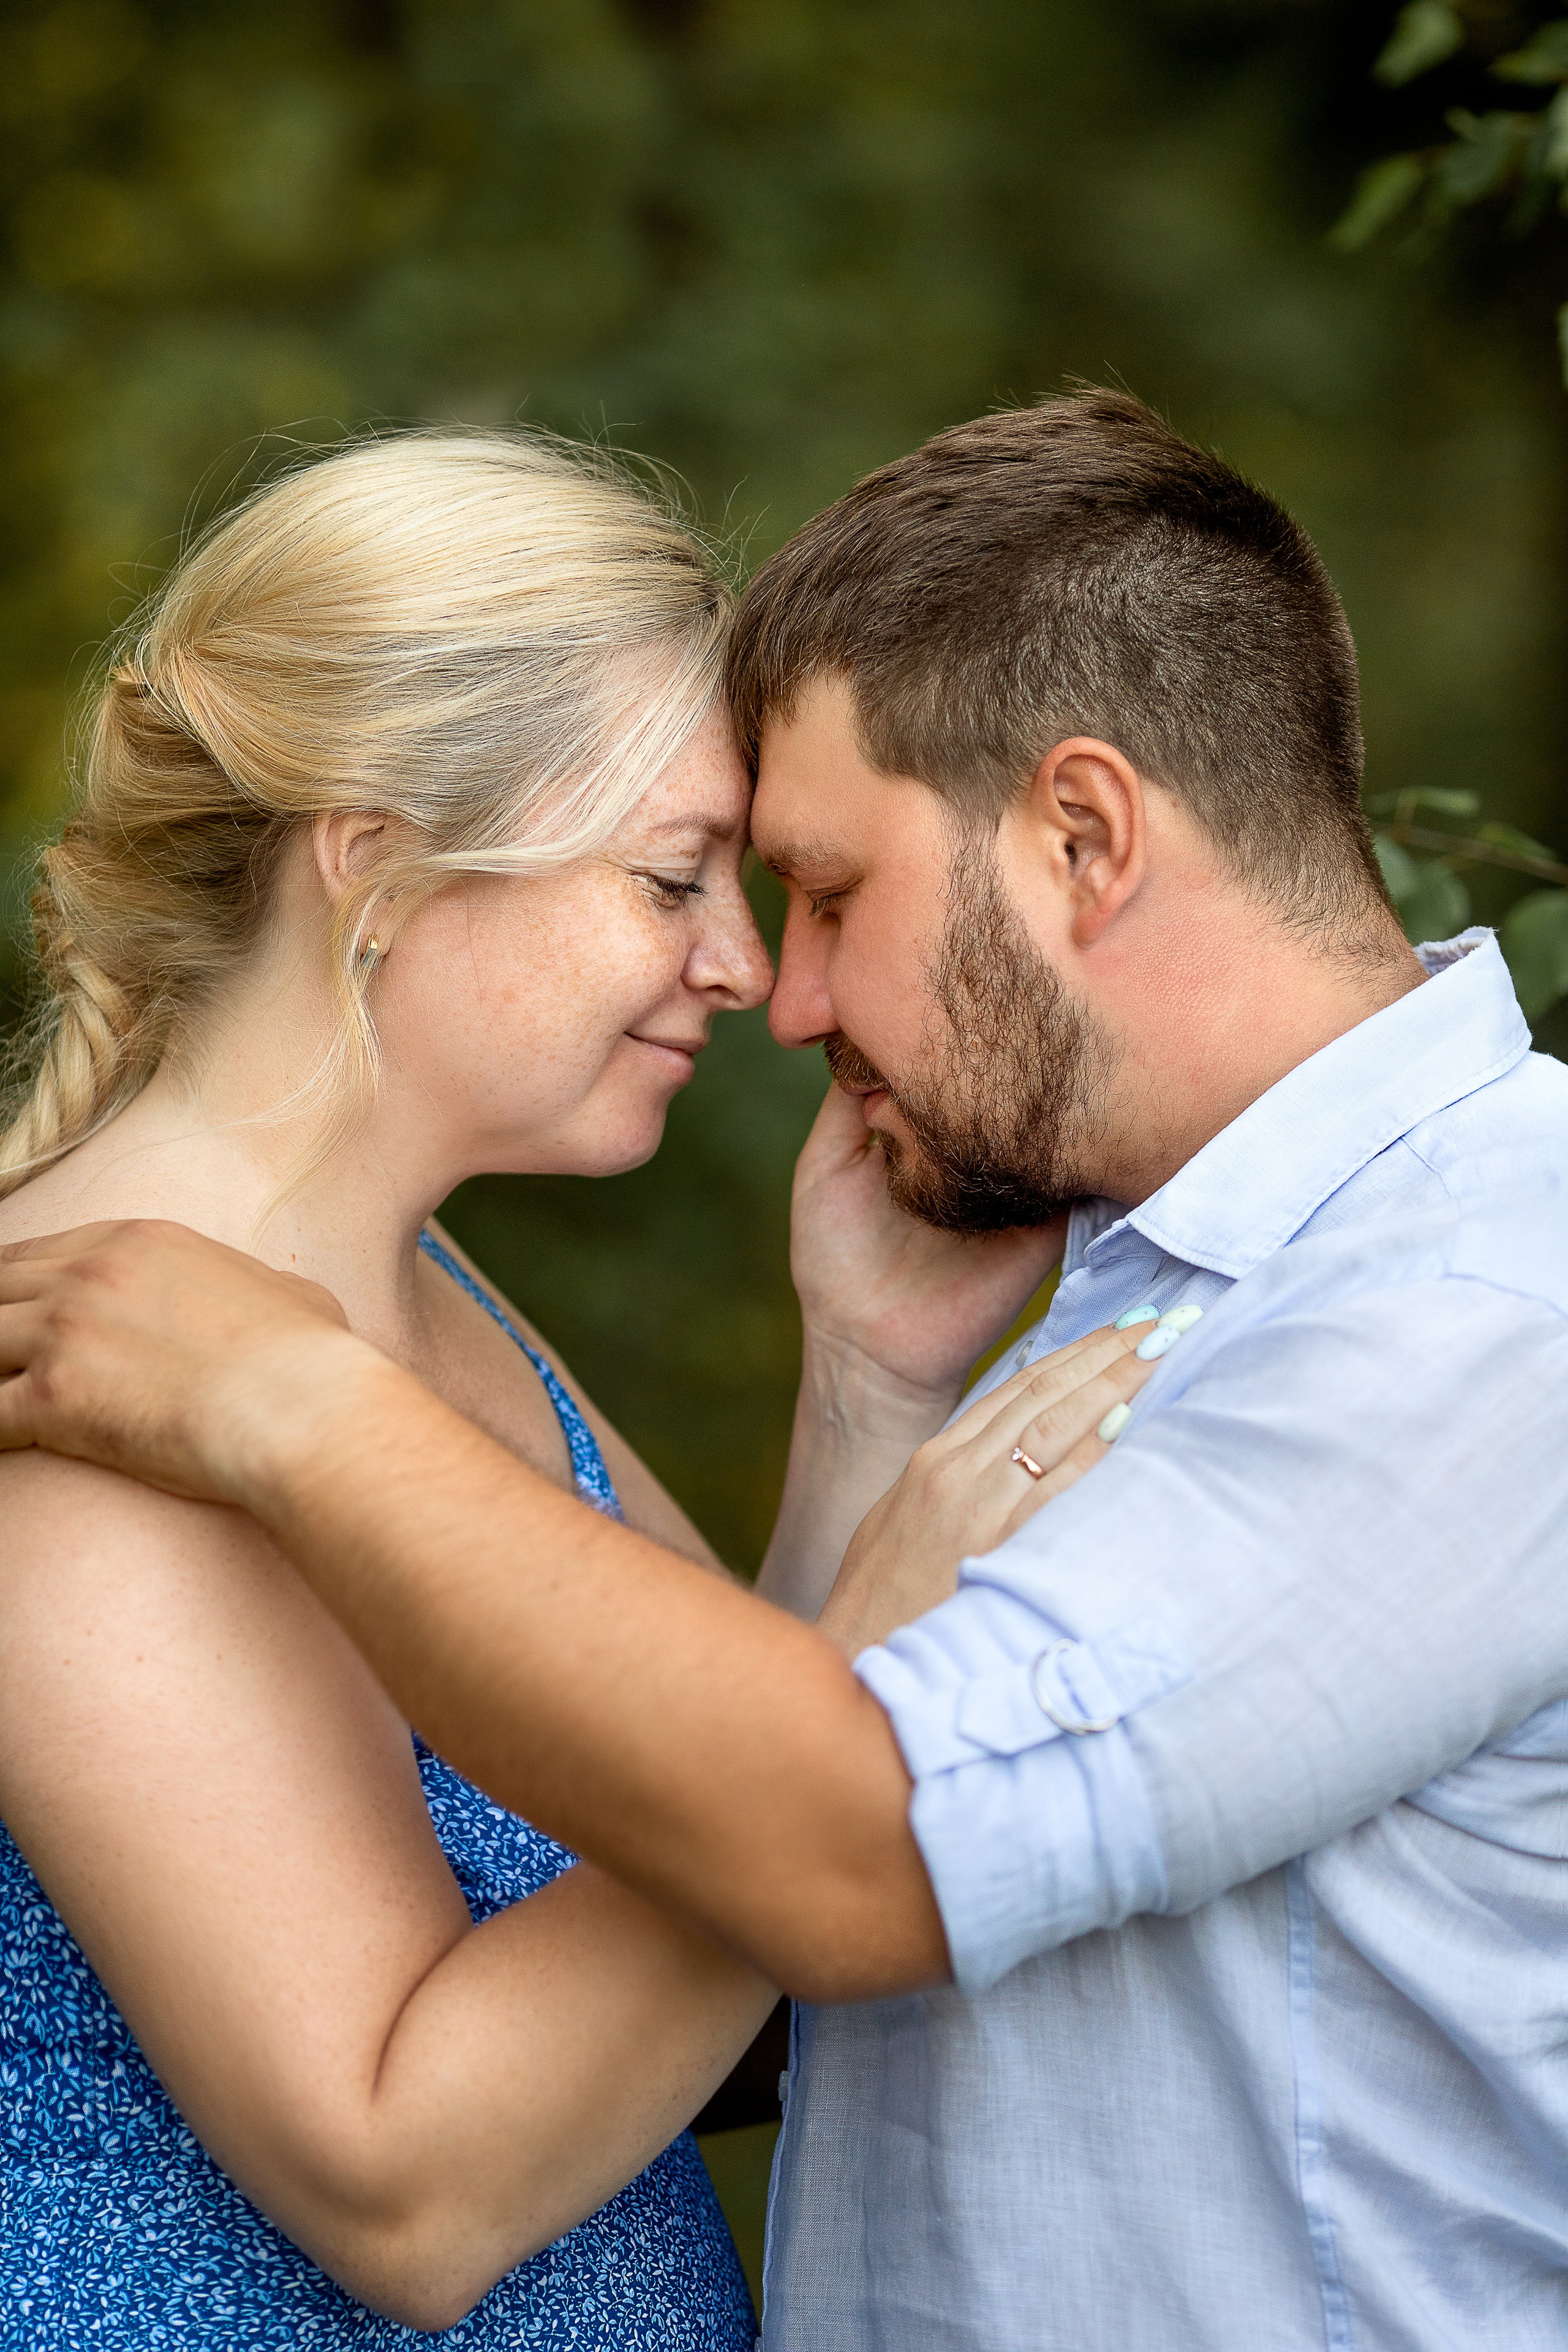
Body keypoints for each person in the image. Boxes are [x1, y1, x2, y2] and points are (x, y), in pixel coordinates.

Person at [5, 390, 1568, 2351]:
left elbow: (769, 1860)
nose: (761, 981)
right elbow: (453, 2139)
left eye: (804, 891)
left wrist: (852, 1425)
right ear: (382, 870)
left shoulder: (1460, 1303)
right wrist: (864, 1518)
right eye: (682, 881)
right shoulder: (92, 1362)